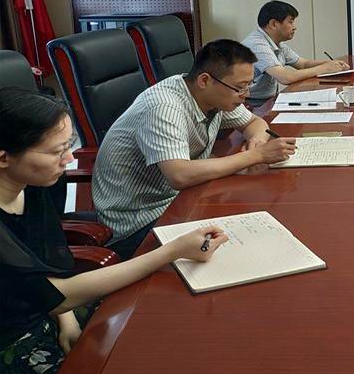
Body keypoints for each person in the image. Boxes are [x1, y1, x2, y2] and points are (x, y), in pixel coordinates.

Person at [0, 88, 229, 374]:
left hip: (50, 308)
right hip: (11, 337)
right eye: (57, 151)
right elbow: (56, 294)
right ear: (3, 157)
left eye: (68, 145)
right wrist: (172, 251)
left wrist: (66, 318)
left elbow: (49, 266)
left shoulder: (35, 182)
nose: (69, 158)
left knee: (169, 331)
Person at [92, 39, 296, 259]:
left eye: (249, 84)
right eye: (239, 87)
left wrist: (257, 140)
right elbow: (179, 175)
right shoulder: (164, 107)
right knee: (243, 249)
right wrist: (255, 156)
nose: (246, 94)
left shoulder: (213, 95)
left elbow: (254, 122)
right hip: (139, 221)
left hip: (183, 199)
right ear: (205, 80)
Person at [242, 0, 350, 101]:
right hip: (250, 104)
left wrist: (331, 64)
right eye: (290, 22)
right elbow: (285, 77)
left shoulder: (277, 43)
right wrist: (325, 68)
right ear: (273, 24)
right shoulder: (257, 45)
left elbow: (303, 64)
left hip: (266, 101)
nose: (294, 27)